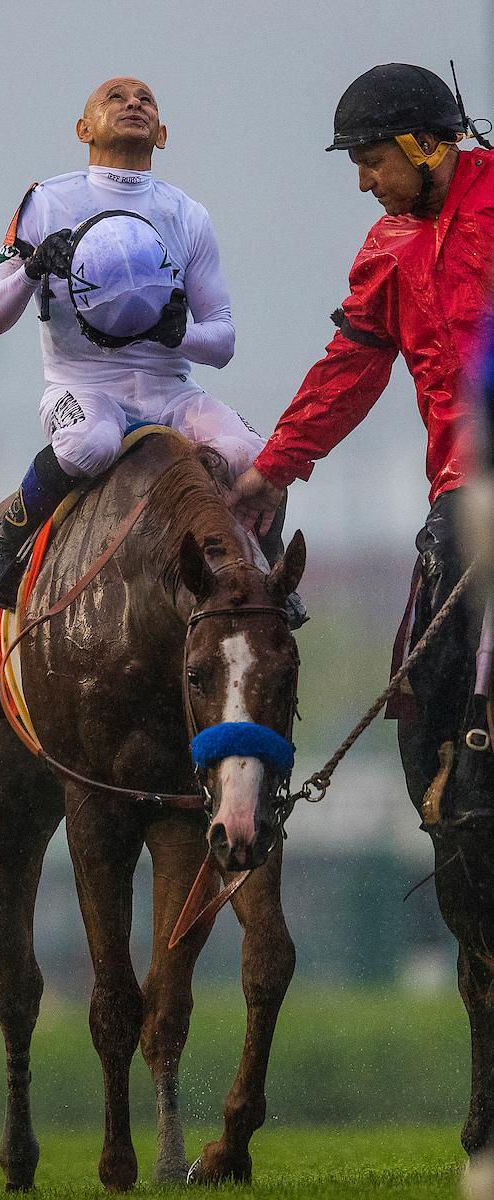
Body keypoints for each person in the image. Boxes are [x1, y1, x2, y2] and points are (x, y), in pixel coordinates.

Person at [231, 62, 494, 815]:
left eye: (370, 161)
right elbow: (349, 370)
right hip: (463, 499)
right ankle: (452, 827)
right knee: (422, 686)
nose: (363, 183)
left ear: (420, 144)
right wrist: (275, 468)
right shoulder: (388, 249)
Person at [0, 76, 266, 609]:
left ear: (163, 133)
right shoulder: (45, 202)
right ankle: (3, 552)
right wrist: (32, 268)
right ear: (83, 129)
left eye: (145, 99)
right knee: (91, 445)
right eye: (115, 98)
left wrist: (180, 334)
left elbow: (222, 341)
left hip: (170, 391)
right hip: (84, 389)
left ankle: (264, 577)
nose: (133, 103)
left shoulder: (188, 215)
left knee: (255, 457)